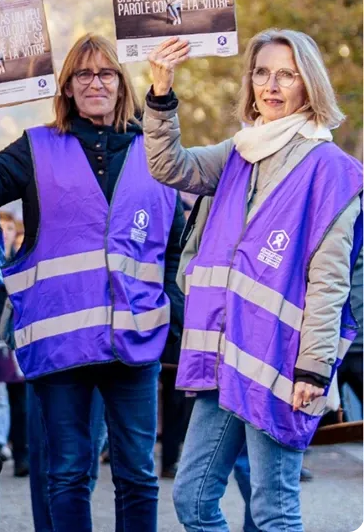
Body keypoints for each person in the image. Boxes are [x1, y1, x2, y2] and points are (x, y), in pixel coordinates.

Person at [0, 32, 187, 531]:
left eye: (105, 74)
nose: (95, 83)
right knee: (67, 474)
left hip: (136, 342)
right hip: (60, 344)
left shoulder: (157, 153)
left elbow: (175, 251)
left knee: (138, 474)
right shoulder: (36, 148)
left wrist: (174, 314)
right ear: (68, 88)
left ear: (122, 85)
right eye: (83, 74)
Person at [143, 31, 362, 531]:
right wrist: (160, 91)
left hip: (284, 364)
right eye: (262, 72)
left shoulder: (331, 170)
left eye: (287, 73)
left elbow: (330, 282)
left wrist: (313, 367)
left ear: (310, 84)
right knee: (193, 501)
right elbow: (167, 165)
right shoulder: (240, 151)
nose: (272, 85)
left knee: (273, 511)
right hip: (228, 355)